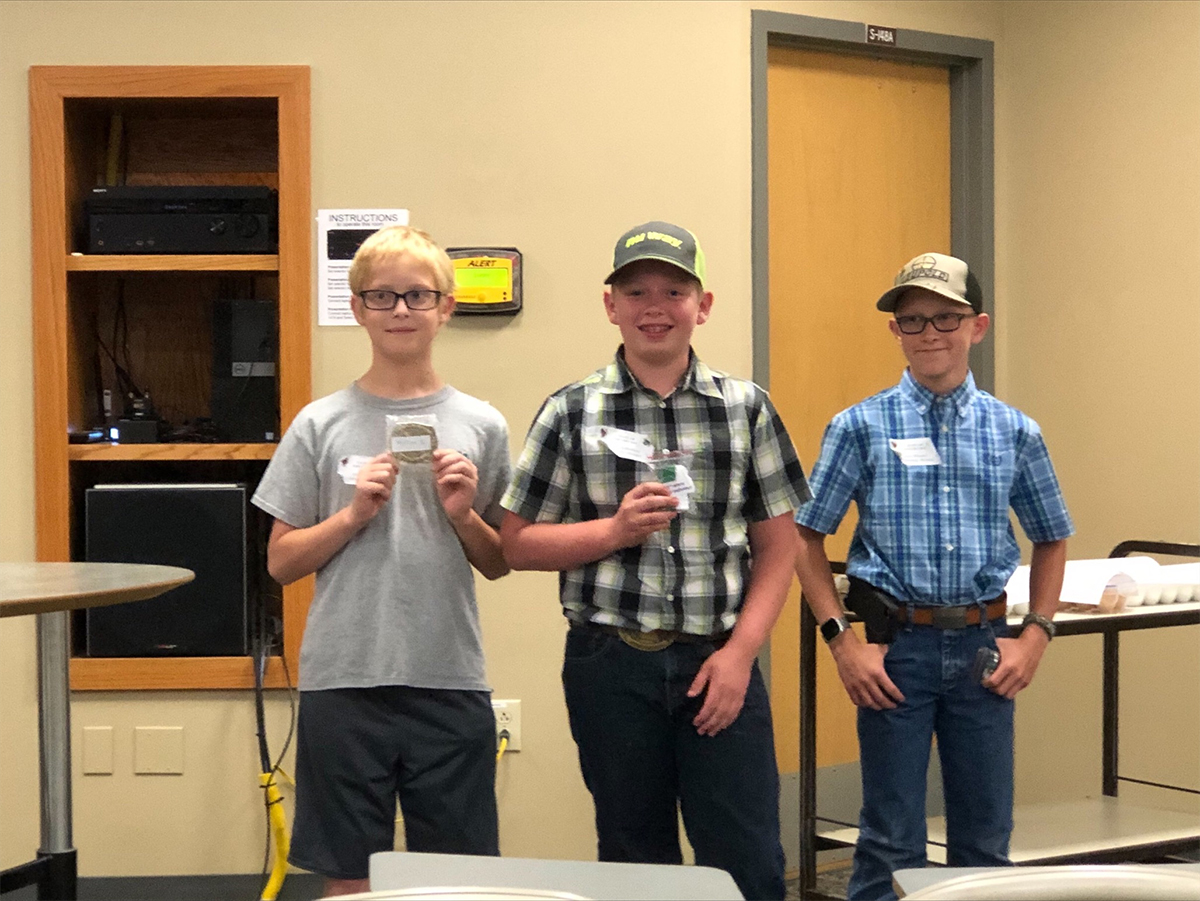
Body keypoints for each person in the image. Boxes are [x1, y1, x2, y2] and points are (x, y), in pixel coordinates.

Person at [500, 221, 810, 901]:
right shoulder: (571, 410)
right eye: (636, 290)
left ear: (703, 305)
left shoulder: (745, 409)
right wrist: (612, 530)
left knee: (749, 858)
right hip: (611, 665)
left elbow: (780, 545)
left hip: (718, 660)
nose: (655, 306)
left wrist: (740, 654)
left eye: (674, 289)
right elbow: (515, 542)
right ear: (610, 304)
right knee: (634, 856)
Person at [794, 252, 1073, 901]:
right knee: (890, 838)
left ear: (978, 326)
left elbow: (1053, 535)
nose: (929, 335)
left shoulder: (1013, 431)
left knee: (984, 838)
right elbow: (805, 537)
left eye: (945, 319)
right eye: (913, 320)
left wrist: (1034, 635)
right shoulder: (859, 427)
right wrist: (841, 639)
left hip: (984, 647)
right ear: (895, 330)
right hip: (897, 651)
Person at [251, 225, 512, 898]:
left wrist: (462, 513)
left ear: (445, 307)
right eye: (384, 295)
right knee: (351, 876)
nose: (401, 309)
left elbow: (500, 559)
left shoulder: (482, 424)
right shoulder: (319, 423)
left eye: (417, 295)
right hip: (344, 681)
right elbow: (280, 561)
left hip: (447, 676)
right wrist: (352, 515)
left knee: (455, 881)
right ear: (358, 306)